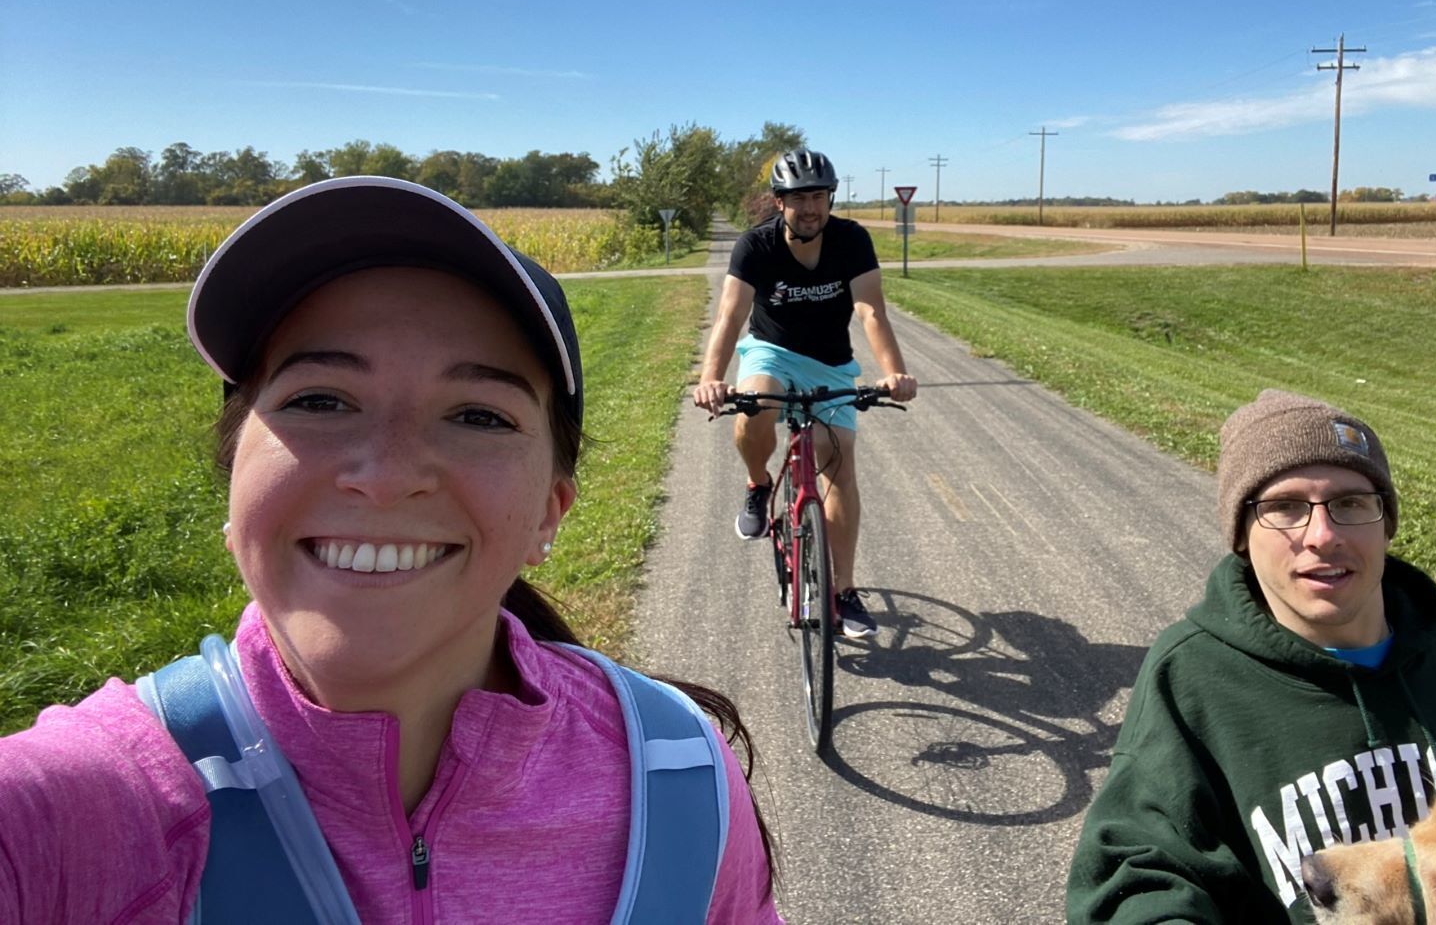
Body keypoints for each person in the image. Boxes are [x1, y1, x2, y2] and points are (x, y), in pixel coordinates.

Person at [0, 176, 781, 924]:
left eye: (478, 415)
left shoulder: (680, 772)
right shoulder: (81, 809)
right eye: (320, 400)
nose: (386, 476)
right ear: (232, 481)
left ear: (552, 510)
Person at [1066, 389, 1436, 924]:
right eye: (1284, 508)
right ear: (1242, 534)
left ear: (1386, 522)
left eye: (1351, 504)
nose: (1323, 535)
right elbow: (1135, 876)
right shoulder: (1193, 674)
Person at [692, 149, 917, 638]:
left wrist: (895, 373)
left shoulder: (851, 240)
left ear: (830, 198)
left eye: (819, 196)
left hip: (831, 362)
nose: (811, 208)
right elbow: (730, 317)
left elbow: (871, 311)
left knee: (838, 462)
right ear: (779, 202)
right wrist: (710, 376)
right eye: (799, 198)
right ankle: (757, 485)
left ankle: (845, 592)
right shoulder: (756, 246)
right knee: (757, 402)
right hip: (771, 350)